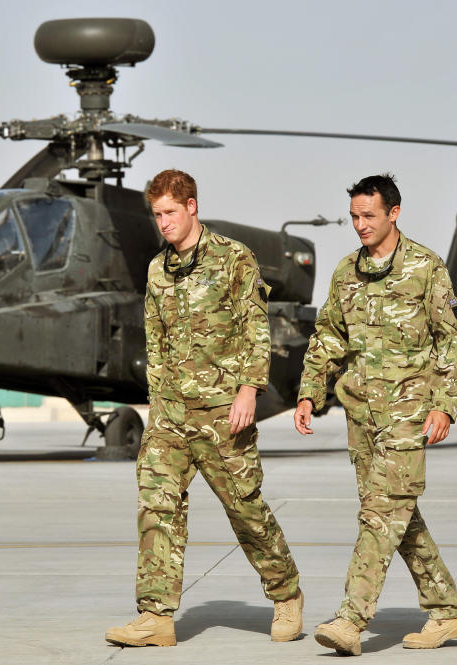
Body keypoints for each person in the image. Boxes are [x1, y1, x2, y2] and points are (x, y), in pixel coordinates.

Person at [105, 169, 302, 648]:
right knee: (157, 505)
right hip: (170, 415)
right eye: (157, 215)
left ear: (192, 206)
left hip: (222, 412)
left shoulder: (235, 258)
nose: (164, 223)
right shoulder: (157, 270)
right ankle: (155, 616)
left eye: (171, 212)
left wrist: (250, 390)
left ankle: (286, 594)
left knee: (246, 510)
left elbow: (257, 328)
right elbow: (156, 339)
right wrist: (157, 402)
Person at [294, 174, 457, 656]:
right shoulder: (346, 272)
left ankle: (351, 620)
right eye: (354, 216)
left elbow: (450, 342)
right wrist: (311, 391)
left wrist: (445, 407)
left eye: (368, 215)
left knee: (380, 516)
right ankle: (448, 611)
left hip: (408, 417)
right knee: (398, 516)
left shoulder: (425, 267)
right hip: (362, 418)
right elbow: (328, 335)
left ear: (394, 213)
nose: (359, 225)